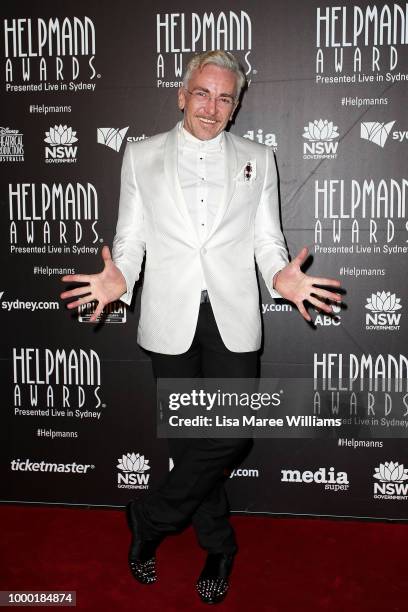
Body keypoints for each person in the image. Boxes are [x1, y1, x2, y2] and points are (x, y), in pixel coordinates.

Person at [61, 50, 342, 604]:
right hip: (171, 315)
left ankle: (147, 518)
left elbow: (267, 240)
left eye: (225, 97)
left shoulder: (259, 157)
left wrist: (278, 276)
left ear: (236, 106)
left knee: (230, 433)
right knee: (189, 439)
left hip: (233, 314)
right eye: (203, 93)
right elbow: (131, 238)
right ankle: (219, 545)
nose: (212, 107)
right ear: (181, 94)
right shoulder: (140, 155)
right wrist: (122, 277)